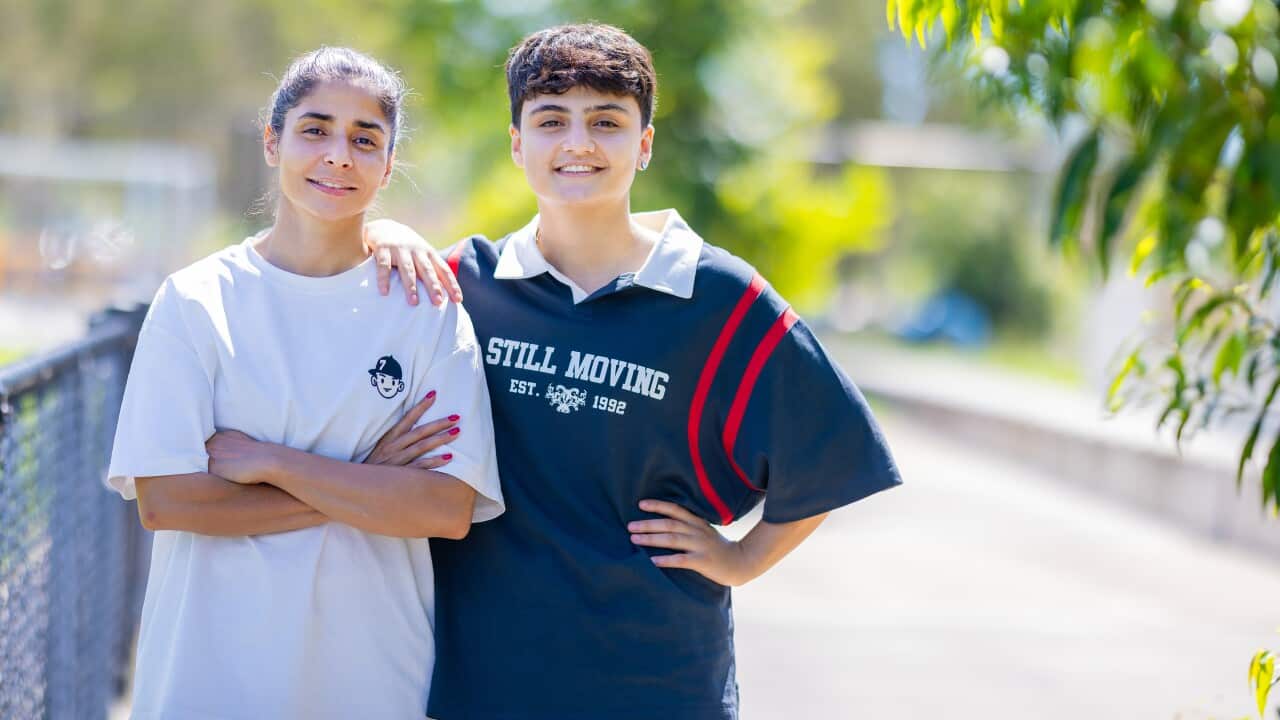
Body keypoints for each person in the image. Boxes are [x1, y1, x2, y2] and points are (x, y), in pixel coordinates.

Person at [364, 23, 901, 720]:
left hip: (660, 685)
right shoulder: (463, 283)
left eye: (607, 121)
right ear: (517, 143)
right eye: (551, 120)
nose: (578, 143)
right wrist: (387, 230)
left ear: (644, 144)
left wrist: (742, 559)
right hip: (485, 683)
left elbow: (832, 455)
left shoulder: (717, 297)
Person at [106, 47, 503, 719]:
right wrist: (367, 481)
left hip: (372, 683)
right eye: (315, 129)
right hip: (207, 679)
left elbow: (443, 509)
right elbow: (169, 502)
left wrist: (273, 464)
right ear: (273, 141)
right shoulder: (197, 301)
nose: (339, 155)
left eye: (364, 139)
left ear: (387, 164)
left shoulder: (428, 308)